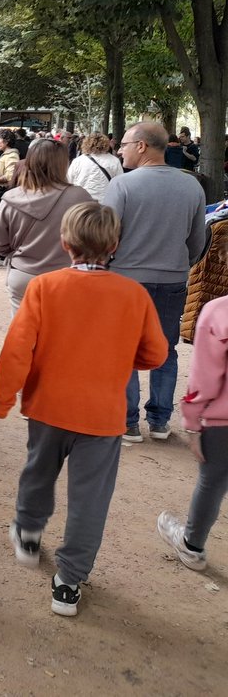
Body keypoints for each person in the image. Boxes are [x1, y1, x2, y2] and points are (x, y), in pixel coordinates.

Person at [0, 204, 166, 617]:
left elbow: (18, 349)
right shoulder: (134, 295)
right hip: (103, 414)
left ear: (65, 242)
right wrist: (119, 359)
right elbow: (156, 353)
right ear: (115, 245)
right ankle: (69, 581)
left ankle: (29, 534)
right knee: (91, 498)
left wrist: (2, 397)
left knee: (38, 470)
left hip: (49, 406)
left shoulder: (44, 287)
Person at [103, 121, 206, 442]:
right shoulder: (193, 186)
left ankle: (128, 421)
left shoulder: (122, 186)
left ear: (142, 146)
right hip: (172, 280)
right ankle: (160, 421)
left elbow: (106, 236)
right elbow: (198, 241)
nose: (119, 150)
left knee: (124, 350)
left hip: (126, 280)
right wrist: (179, 264)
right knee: (165, 350)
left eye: (123, 144)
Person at [156, 234, 228, 573]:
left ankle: (192, 545)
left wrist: (193, 422)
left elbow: (205, 378)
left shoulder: (217, 312)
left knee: (212, 481)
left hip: (221, 421)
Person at [0, 139, 94, 311]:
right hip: (65, 275)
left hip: (23, 274)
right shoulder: (80, 197)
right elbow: (91, 237)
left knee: (22, 332)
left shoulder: (11, 198)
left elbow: (0, 244)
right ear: (63, 163)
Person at [66, 132, 122, 202]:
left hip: (81, 203)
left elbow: (69, 181)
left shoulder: (78, 161)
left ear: (86, 143)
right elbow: (119, 184)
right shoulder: (114, 161)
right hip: (105, 203)